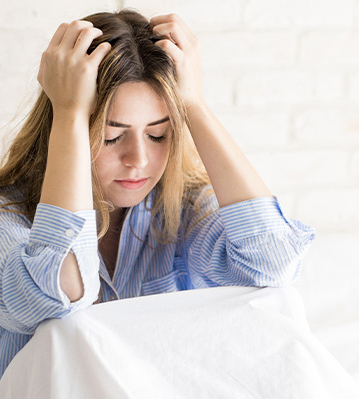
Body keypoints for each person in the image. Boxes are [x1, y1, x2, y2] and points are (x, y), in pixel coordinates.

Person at [0, 9, 316, 378]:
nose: (139, 159)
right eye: (112, 136)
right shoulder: (10, 215)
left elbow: (274, 263)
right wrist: (69, 112)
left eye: (157, 134)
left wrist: (194, 105)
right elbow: (58, 290)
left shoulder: (184, 211)